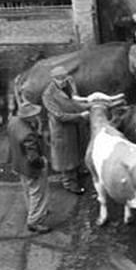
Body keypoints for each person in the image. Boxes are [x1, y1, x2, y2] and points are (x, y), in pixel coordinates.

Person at [41, 66, 90, 195]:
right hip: (63, 129)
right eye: (59, 79)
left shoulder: (70, 82)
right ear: (53, 79)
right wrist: (80, 116)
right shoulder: (48, 95)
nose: (63, 81)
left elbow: (75, 98)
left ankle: (80, 171)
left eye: (64, 78)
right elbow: (59, 116)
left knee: (78, 149)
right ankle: (70, 183)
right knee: (66, 157)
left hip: (76, 126)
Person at [6, 101, 51, 234]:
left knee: (28, 189)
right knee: (38, 193)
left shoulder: (13, 121)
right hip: (31, 168)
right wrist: (42, 164)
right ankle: (34, 221)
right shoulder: (27, 134)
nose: (37, 115)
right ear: (28, 117)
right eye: (34, 114)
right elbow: (33, 157)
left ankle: (34, 210)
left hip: (18, 164)